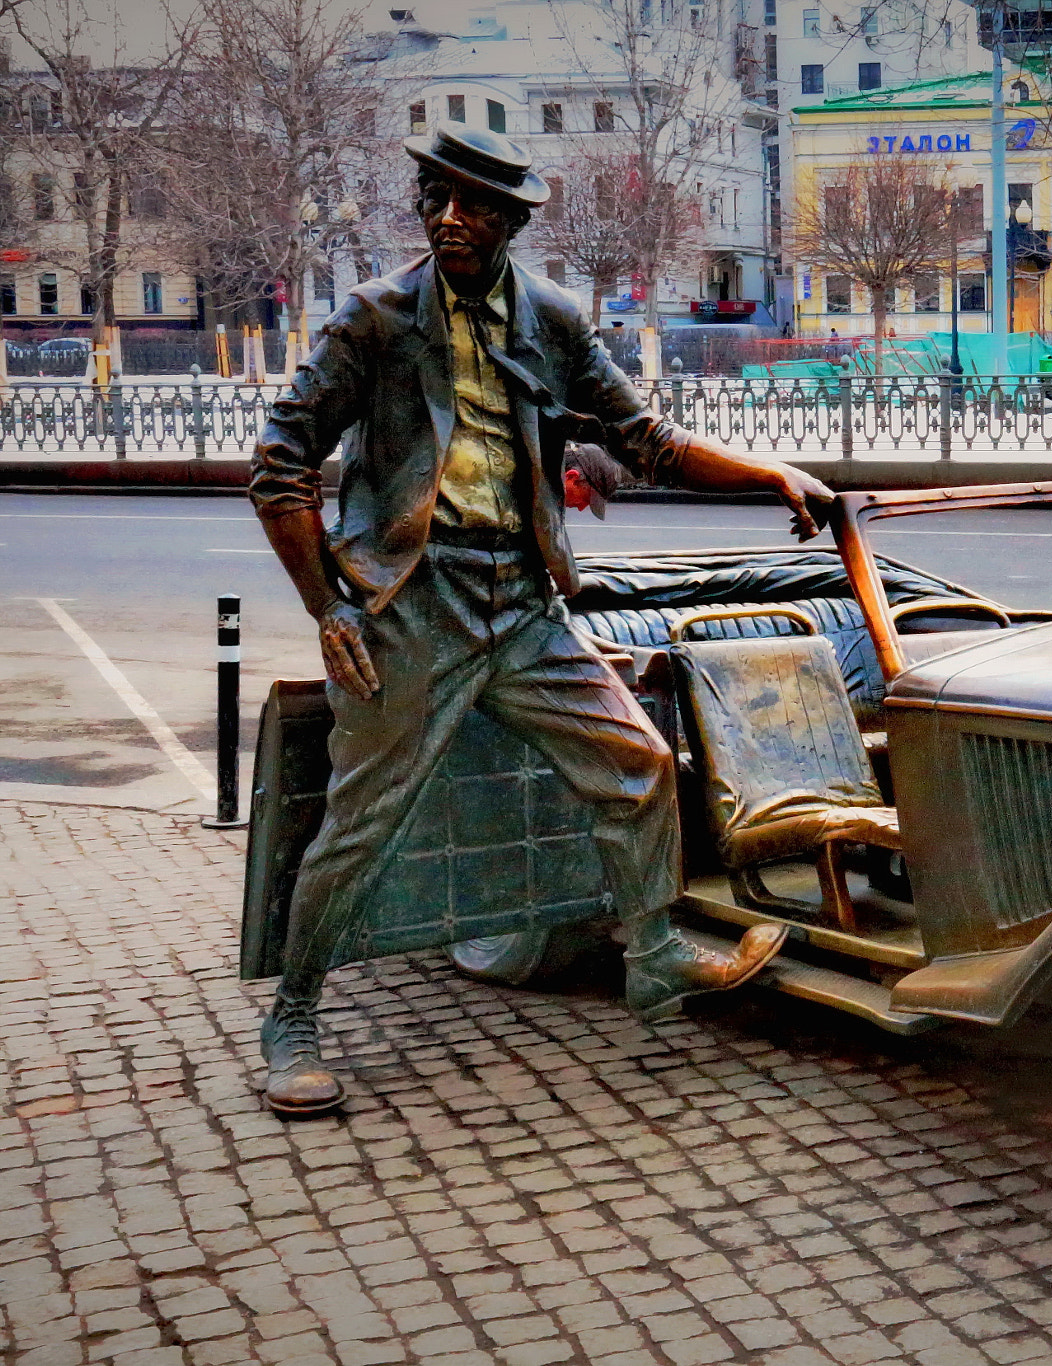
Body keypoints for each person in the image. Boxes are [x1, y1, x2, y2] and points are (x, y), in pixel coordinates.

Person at [248, 125, 833, 1117]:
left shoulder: (550, 319)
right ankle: (294, 1012)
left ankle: (653, 952)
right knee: (361, 828)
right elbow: (279, 464)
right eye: (435, 197)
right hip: (412, 607)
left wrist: (767, 471)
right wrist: (329, 602)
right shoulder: (375, 319)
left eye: (472, 204)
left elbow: (643, 439)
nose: (448, 218)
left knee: (639, 765)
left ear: (513, 221)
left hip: (521, 602)